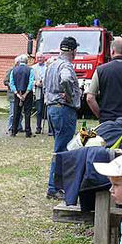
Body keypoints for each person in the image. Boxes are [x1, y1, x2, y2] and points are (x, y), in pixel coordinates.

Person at [44, 36, 81, 199]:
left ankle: (56, 185)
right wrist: (69, 94)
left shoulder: (52, 65)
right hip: (63, 109)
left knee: (59, 147)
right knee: (62, 150)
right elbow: (66, 78)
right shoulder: (66, 65)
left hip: (52, 108)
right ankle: (54, 187)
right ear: (73, 51)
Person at [9, 54, 35, 138]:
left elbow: (11, 83)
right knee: (27, 113)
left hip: (17, 93)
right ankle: (28, 132)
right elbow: (31, 83)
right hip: (27, 93)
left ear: (19, 61)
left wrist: (17, 94)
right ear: (26, 61)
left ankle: (14, 131)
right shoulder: (30, 70)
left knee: (16, 112)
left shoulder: (14, 70)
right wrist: (25, 94)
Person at [31, 56, 46, 132]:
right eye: (38, 58)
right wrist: (35, 83)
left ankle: (50, 129)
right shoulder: (33, 68)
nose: (39, 59)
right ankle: (38, 127)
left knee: (47, 110)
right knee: (39, 110)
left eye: (41, 58)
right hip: (38, 91)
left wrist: (44, 83)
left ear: (44, 58)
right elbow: (30, 79)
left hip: (46, 91)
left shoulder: (48, 67)